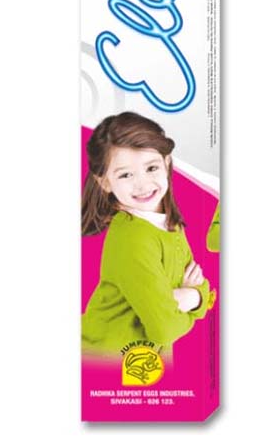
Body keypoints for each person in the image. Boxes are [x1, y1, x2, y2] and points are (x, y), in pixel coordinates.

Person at [81, 112, 215, 356]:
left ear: (167, 163)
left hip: (144, 362)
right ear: (105, 182)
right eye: (125, 174)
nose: (142, 185)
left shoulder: (168, 221)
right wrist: (193, 298)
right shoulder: (134, 238)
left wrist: (192, 296)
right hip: (107, 360)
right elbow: (164, 329)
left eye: (151, 168)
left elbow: (199, 284)